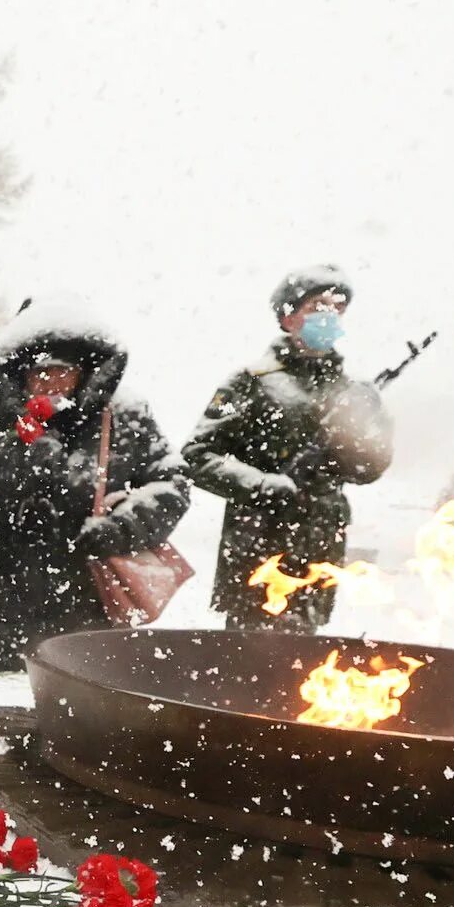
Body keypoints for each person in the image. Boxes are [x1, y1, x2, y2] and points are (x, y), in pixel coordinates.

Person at [0, 303, 190, 671]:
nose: (49, 384)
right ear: (21, 375)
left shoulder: (125, 416)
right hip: (3, 605)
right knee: (0, 715)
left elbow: (171, 484)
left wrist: (122, 528)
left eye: (62, 373)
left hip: (90, 606)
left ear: (86, 373)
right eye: (39, 374)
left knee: (88, 712)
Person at [182, 265, 390, 632]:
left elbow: (370, 468)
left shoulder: (351, 390)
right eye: (317, 306)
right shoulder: (248, 383)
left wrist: (359, 438)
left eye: (336, 307)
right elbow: (198, 456)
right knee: (245, 664)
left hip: (319, 546)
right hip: (256, 545)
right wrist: (263, 486)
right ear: (289, 317)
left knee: (308, 673)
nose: (328, 316)